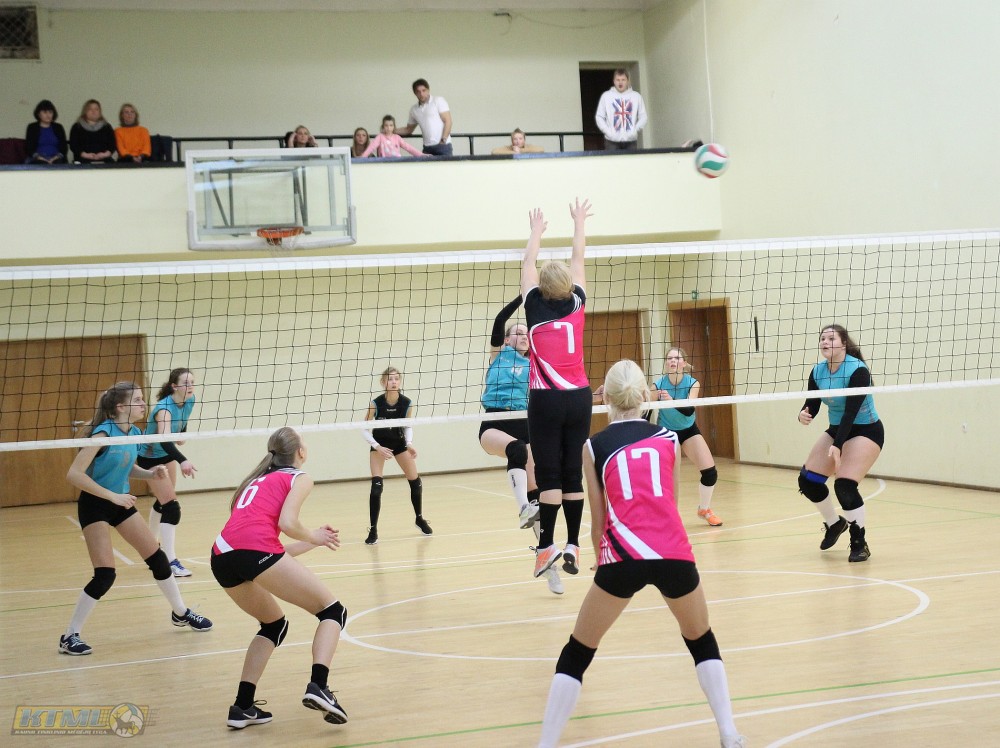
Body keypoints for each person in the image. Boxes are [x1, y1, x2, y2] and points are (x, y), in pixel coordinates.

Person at [538, 360, 746, 748]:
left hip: (623, 555)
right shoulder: (669, 438)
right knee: (701, 640)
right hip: (672, 552)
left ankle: (545, 743)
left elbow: (598, 518)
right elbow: (672, 502)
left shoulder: (592, 446)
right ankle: (729, 732)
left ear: (606, 397)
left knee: (577, 651)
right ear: (645, 395)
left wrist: (601, 559)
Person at [59, 382, 213, 657]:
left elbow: (126, 465)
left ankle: (180, 612)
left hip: (121, 502)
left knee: (158, 559)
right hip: (96, 505)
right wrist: (112, 496)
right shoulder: (102, 434)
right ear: (121, 407)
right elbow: (74, 475)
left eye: (143, 399)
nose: (144, 404)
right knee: (105, 574)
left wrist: (149, 474)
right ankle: (69, 635)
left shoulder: (135, 433)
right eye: (138, 400)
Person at [213, 427, 349, 729]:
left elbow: (266, 552)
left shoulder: (256, 480)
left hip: (222, 555)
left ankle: (242, 706)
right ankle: (319, 686)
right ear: (300, 451)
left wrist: (314, 540)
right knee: (333, 612)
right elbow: (287, 524)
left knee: (274, 624)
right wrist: (311, 534)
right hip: (253, 552)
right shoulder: (299, 477)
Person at [521, 198, 593, 581]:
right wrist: (579, 222)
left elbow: (527, 263)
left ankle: (546, 545)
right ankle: (574, 545)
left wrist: (536, 231)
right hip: (579, 398)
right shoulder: (578, 302)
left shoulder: (533, 305)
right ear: (567, 286)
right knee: (571, 474)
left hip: (546, 399)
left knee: (549, 475)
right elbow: (578, 256)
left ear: (542, 288)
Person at [481, 297, 564, 595]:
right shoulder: (499, 354)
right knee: (516, 449)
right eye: (517, 332)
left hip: (525, 425)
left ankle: (547, 562)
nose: (523, 336)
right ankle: (522, 509)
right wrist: (525, 298)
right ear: (506, 340)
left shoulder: (535, 365)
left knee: (538, 499)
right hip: (494, 424)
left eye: (526, 333)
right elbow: (499, 320)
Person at [797, 324, 882, 563]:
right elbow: (812, 403)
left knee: (844, 486)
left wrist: (837, 445)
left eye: (831, 338)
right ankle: (835, 524)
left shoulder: (858, 371)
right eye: (822, 338)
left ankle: (859, 542)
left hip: (865, 430)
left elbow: (851, 413)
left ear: (844, 343)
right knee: (808, 481)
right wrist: (804, 413)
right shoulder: (818, 371)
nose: (825, 342)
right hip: (838, 429)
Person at [652, 347, 724, 526]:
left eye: (677, 358)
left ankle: (704, 509)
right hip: (667, 433)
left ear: (684, 363)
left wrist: (670, 401)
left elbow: (689, 409)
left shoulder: (692, 383)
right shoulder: (658, 385)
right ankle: (666, 516)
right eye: (669, 358)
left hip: (688, 429)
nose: (673, 361)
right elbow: (646, 410)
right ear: (666, 363)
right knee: (668, 477)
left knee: (710, 472)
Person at [362, 366, 432, 545]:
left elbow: (408, 425)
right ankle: (373, 529)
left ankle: (419, 518)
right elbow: (363, 428)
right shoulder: (375, 403)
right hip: (380, 445)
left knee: (415, 481)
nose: (394, 382)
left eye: (396, 379)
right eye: (390, 379)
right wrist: (377, 447)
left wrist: (409, 444)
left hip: (399, 443)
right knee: (376, 487)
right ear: (383, 382)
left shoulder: (406, 403)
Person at [140, 368, 198, 577]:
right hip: (150, 456)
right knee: (171, 507)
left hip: (165, 454)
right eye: (185, 383)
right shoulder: (164, 409)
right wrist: (183, 460)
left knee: (163, 501)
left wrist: (181, 434)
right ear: (174, 386)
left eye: (192, 382)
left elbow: (182, 424)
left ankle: (151, 546)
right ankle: (170, 561)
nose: (190, 386)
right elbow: (164, 440)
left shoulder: (190, 400)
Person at [396, 78, 453, 156]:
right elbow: (408, 129)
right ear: (415, 93)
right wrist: (390, 130)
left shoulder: (438, 100)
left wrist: (443, 140)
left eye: (424, 90)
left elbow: (448, 121)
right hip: (427, 148)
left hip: (443, 146)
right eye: (418, 92)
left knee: (446, 165)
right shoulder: (414, 109)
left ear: (428, 90)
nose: (421, 94)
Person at [595, 68, 647, 152]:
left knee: (631, 160)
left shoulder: (636, 96)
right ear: (614, 81)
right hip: (611, 141)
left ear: (628, 81)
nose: (620, 82)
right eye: (618, 80)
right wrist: (608, 132)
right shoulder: (606, 96)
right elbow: (599, 116)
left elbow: (643, 116)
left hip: (631, 141)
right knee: (612, 161)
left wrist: (635, 130)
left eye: (623, 80)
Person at [69, 99, 117, 164]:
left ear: (100, 112)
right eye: (90, 109)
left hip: (104, 159)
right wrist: (85, 155)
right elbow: (74, 145)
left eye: (96, 109)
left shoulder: (107, 127)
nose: (93, 111)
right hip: (83, 160)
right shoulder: (77, 127)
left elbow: (112, 145)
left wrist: (104, 154)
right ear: (85, 111)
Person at [361, 115, 427, 158]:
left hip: (396, 162)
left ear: (394, 127)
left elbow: (408, 147)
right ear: (383, 126)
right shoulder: (380, 137)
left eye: (391, 125)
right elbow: (371, 147)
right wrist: (363, 157)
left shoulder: (397, 138)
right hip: (383, 163)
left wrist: (421, 155)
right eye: (386, 125)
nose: (388, 128)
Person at [24, 99, 67, 165]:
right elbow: (29, 148)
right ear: (38, 114)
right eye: (45, 112)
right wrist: (40, 158)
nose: (48, 115)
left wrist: (54, 158)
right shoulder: (32, 127)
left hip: (56, 159)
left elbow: (64, 148)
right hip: (37, 159)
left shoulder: (58, 127)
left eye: (50, 112)